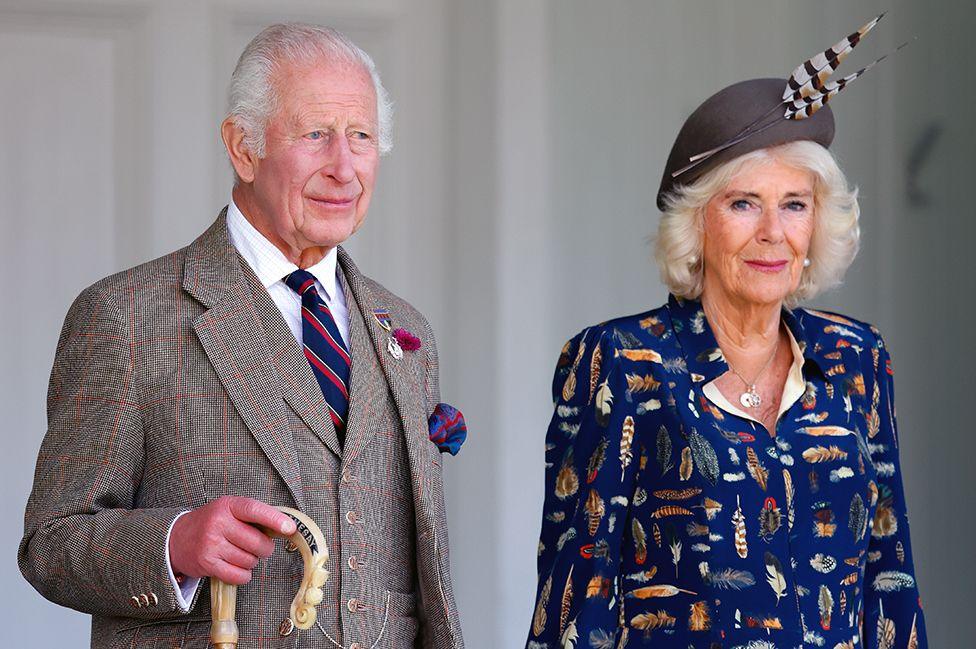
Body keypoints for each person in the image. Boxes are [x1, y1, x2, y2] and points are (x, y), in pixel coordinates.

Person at [20, 23, 464, 649]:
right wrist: (171, 544)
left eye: (361, 136)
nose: (344, 167)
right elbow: (51, 542)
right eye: (315, 135)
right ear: (243, 148)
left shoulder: (406, 329)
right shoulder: (125, 313)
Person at [526, 29, 927, 649]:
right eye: (744, 204)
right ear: (697, 222)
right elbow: (575, 606)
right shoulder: (621, 364)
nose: (773, 233)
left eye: (794, 204)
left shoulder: (856, 359)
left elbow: (889, 576)